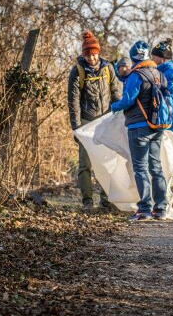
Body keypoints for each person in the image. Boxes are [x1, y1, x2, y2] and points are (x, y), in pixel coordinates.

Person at [110, 40, 168, 221]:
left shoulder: (136, 76)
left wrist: (114, 106)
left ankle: (144, 209)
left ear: (133, 56)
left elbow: (127, 100)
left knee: (141, 168)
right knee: (156, 167)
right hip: (157, 126)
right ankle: (161, 209)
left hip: (138, 128)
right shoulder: (159, 74)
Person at [67, 30, 121, 213]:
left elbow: (116, 94)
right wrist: (76, 127)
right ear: (84, 54)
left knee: (107, 162)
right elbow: (73, 100)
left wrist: (118, 119)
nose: (91, 57)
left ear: (98, 52)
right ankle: (87, 201)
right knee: (85, 164)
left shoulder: (108, 69)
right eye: (88, 54)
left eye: (94, 53)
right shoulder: (77, 71)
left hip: (106, 121)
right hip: (86, 122)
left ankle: (106, 200)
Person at [151, 38, 173, 214]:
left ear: (161, 58)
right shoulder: (168, 70)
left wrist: (162, 121)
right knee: (169, 163)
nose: (152, 59)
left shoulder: (170, 73)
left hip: (170, 125)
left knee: (171, 164)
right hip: (171, 124)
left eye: (154, 56)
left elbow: (169, 101)